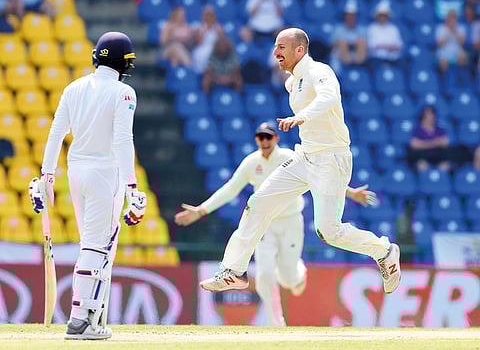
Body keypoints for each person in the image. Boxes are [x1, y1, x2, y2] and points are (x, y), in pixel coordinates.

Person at [199, 27, 401, 296]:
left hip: (331, 158)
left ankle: (385, 251)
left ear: (299, 50)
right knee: (258, 202)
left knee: (329, 231)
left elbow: (329, 98)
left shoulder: (320, 71)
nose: (275, 52)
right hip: (305, 157)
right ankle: (234, 271)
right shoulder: (291, 82)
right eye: (275, 46)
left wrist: (301, 117)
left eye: (281, 47)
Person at [175, 122, 377, 326]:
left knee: (288, 278)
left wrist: (350, 192)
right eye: (260, 137)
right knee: (264, 274)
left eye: (268, 137)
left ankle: (298, 272)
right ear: (256, 140)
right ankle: (276, 322)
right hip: (266, 224)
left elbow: (321, 178)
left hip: (290, 222)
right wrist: (202, 209)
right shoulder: (251, 162)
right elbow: (230, 188)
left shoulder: (290, 157)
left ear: (276, 139)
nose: (264, 141)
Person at [28, 32, 147, 340]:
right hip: (106, 174)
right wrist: (132, 186)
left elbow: (56, 133)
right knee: (98, 246)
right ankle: (80, 320)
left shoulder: (74, 87)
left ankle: (93, 318)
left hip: (76, 172)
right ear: (124, 62)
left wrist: (47, 175)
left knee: (93, 245)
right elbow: (123, 140)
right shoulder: (124, 92)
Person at [407, 105, 451, 172]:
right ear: (423, 117)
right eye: (428, 116)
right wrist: (435, 143)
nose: (431, 118)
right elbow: (414, 145)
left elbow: (445, 143)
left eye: (432, 116)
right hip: (423, 157)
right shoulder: (417, 130)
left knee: (445, 165)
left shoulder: (440, 130)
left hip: (438, 156)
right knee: (421, 166)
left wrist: (423, 144)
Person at [329, 0, 367, 74]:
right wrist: (344, 42)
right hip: (340, 54)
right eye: (349, 15)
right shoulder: (338, 28)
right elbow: (331, 44)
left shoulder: (361, 29)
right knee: (342, 42)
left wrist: (352, 43)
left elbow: (364, 44)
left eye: (353, 15)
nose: (351, 18)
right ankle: (347, 65)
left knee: (361, 42)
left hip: (355, 53)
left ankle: (358, 65)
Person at [366, 1, 403, 68]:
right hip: (376, 59)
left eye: (384, 15)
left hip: (393, 59)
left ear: (387, 16)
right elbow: (371, 46)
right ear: (377, 16)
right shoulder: (372, 28)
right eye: (381, 15)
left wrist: (383, 46)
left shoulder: (393, 29)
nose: (382, 18)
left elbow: (399, 46)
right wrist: (388, 47)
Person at [191, 5, 224, 74]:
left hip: (214, 49)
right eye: (207, 15)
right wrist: (203, 31)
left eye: (210, 15)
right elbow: (198, 43)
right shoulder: (199, 27)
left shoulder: (218, 28)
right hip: (201, 50)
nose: (209, 17)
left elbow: (221, 42)